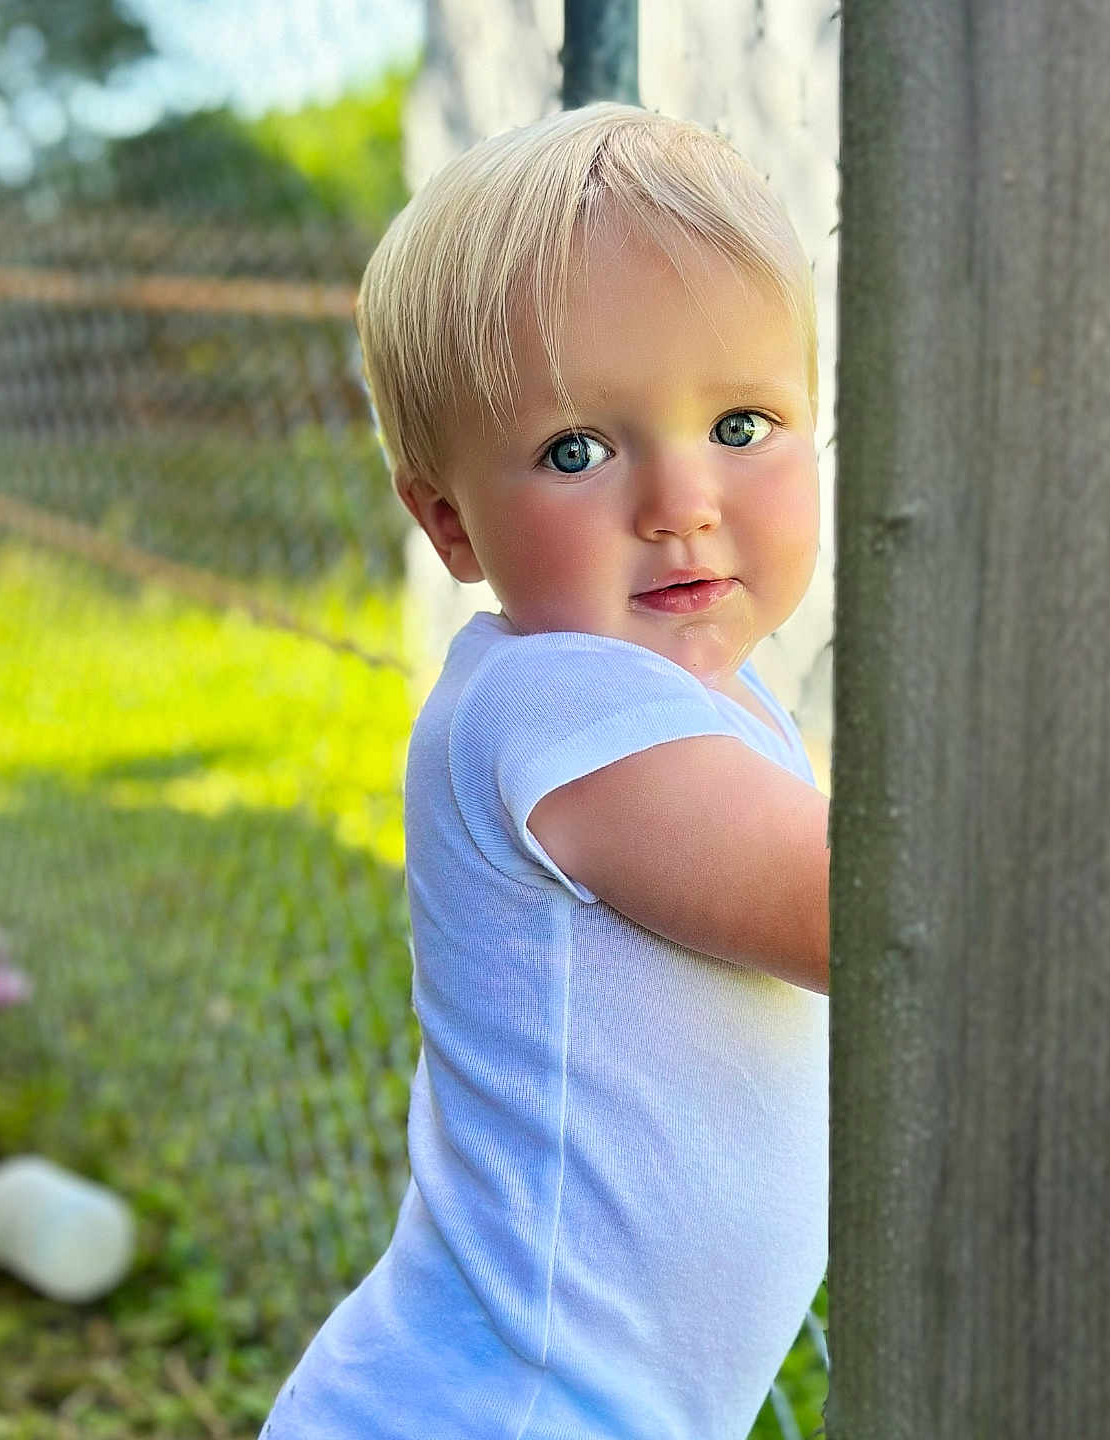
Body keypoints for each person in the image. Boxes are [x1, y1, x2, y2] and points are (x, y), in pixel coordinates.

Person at [260, 102, 830, 1440]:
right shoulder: (554, 704)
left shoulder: (697, 693)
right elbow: (858, 911)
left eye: (744, 424)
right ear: (449, 521)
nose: (682, 500)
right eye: (579, 451)